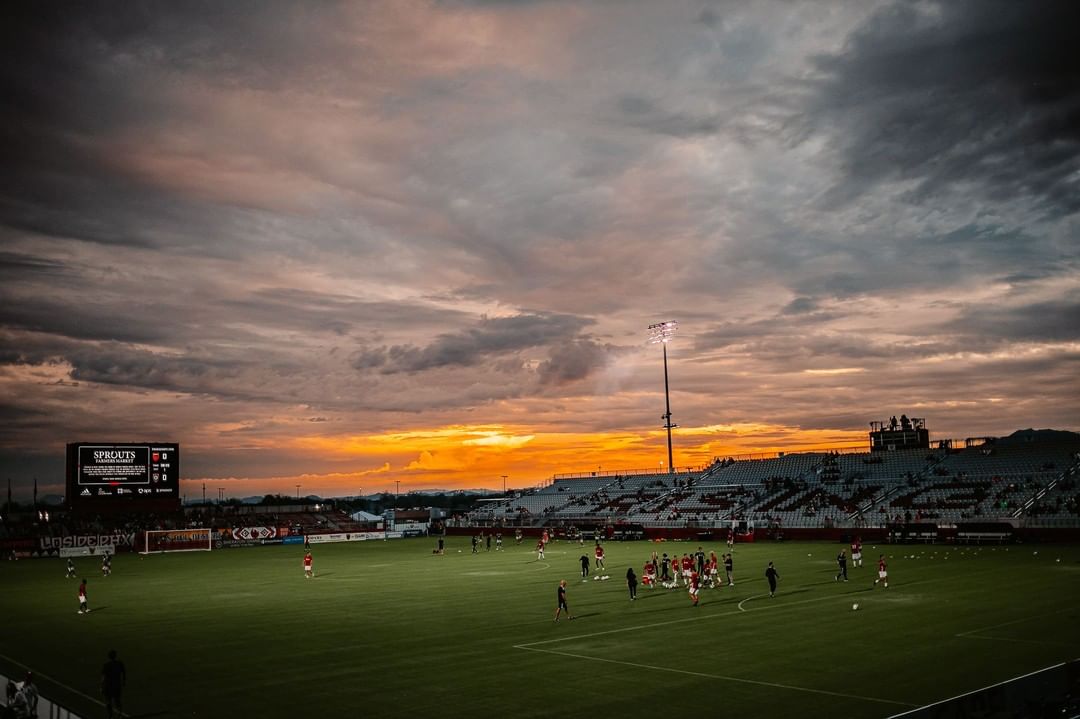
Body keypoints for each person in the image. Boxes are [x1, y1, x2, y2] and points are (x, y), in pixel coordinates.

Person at [101, 649, 126, 719]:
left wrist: (102, 687)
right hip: (117, 685)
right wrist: (124, 681)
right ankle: (120, 714)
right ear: (116, 656)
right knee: (117, 700)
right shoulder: (120, 663)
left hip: (108, 686)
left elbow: (103, 677)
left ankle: (110, 715)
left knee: (108, 701)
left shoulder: (106, 665)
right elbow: (123, 672)